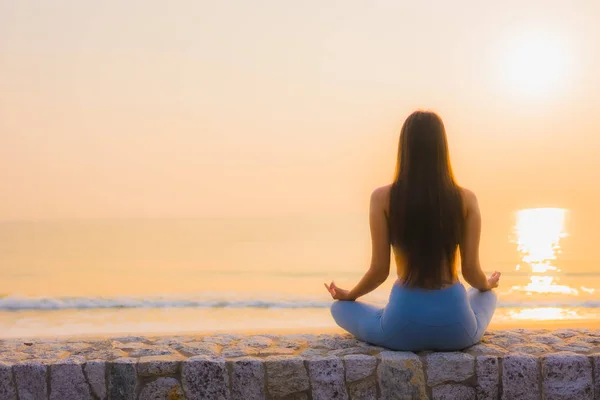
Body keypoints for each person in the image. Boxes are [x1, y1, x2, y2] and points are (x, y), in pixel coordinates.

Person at [324, 110, 500, 351]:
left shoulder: (382, 198)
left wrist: (350, 295)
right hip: (457, 330)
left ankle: (387, 317)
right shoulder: (466, 199)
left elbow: (379, 271)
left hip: (401, 327)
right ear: (442, 148)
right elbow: (471, 273)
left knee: (339, 308)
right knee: (486, 295)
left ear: (404, 147)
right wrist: (488, 284)